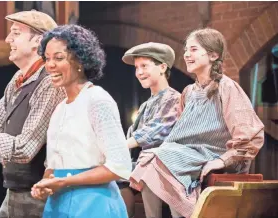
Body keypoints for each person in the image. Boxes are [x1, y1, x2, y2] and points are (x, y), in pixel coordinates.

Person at [129, 28, 265, 218]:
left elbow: (251, 136)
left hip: (213, 152)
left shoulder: (226, 88)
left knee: (163, 157)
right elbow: (181, 134)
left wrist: (221, 160)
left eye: (193, 49)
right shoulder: (189, 92)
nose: (186, 54)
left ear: (213, 55)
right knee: (149, 158)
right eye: (186, 50)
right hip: (185, 153)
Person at [0, 10, 66, 218]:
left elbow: (25, 149)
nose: (7, 39)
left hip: (40, 195)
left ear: (37, 40)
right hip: (15, 190)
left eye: (16, 33)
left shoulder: (49, 82)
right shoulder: (18, 79)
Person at [30, 24, 132, 218]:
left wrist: (65, 182)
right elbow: (53, 166)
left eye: (59, 58)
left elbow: (119, 166)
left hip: (94, 204)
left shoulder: (97, 100)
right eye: (47, 58)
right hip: (58, 204)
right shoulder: (60, 108)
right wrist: (45, 185)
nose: (50, 65)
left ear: (81, 61)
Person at [118, 42, 181, 218]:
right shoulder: (146, 104)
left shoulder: (174, 98)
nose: (139, 72)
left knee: (142, 171)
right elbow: (132, 134)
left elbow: (157, 129)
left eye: (144, 66)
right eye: (137, 67)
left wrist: (121, 146)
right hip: (142, 163)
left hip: (165, 165)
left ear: (162, 67)